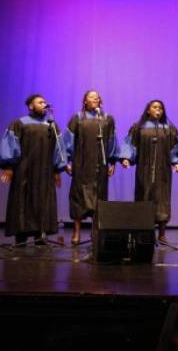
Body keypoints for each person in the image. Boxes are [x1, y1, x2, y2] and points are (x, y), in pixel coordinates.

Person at [0, 94, 65, 244]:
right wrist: (9, 167)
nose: (44, 104)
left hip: (45, 171)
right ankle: (21, 235)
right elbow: (10, 145)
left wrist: (57, 170)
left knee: (43, 201)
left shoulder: (51, 125)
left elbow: (58, 149)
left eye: (45, 102)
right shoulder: (19, 123)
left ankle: (40, 235)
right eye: (40, 102)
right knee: (22, 201)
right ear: (31, 106)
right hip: (24, 170)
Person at [120, 100, 178, 243]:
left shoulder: (169, 129)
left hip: (163, 171)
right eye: (155, 107)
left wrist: (176, 162)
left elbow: (174, 148)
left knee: (162, 199)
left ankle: (162, 233)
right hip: (144, 169)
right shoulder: (139, 127)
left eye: (160, 108)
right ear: (148, 110)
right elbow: (130, 144)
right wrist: (126, 158)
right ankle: (143, 232)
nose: (158, 110)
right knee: (144, 196)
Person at [61, 90, 119, 245]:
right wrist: (66, 161)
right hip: (81, 164)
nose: (96, 98)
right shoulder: (78, 118)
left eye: (98, 97)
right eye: (92, 96)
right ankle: (77, 231)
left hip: (101, 164)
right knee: (79, 197)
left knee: (100, 197)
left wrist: (113, 162)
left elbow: (112, 141)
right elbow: (67, 140)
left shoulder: (107, 119)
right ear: (85, 101)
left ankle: (96, 232)